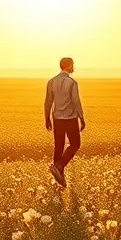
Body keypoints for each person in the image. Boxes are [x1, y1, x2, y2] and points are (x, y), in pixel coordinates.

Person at [44, 57, 85, 187]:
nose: (74, 67)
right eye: (72, 65)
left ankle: (59, 180)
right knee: (75, 144)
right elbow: (76, 102)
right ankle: (59, 165)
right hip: (70, 119)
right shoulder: (72, 83)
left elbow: (48, 101)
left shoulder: (51, 82)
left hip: (57, 119)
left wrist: (47, 118)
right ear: (67, 66)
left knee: (59, 146)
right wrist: (82, 118)